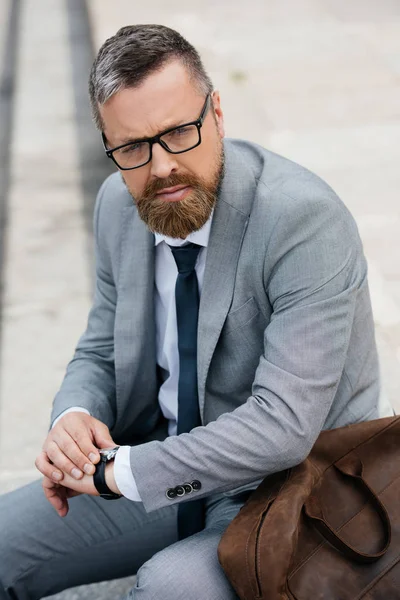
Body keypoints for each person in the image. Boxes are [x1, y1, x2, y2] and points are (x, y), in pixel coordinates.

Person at [0, 24, 394, 600]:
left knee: (166, 588)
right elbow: (103, 345)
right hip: (165, 457)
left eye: (179, 133)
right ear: (108, 145)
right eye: (132, 147)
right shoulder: (117, 204)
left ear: (216, 113)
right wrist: (72, 423)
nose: (161, 168)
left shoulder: (304, 221)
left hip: (296, 488)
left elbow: (282, 427)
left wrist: (114, 474)